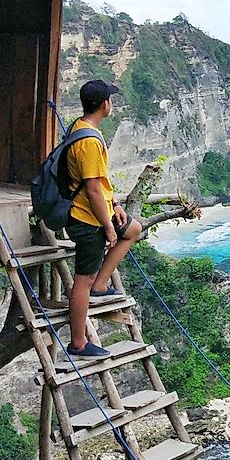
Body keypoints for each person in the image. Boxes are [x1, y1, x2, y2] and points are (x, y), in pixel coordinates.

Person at [64, 79, 142, 358]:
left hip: (98, 212)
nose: (113, 103)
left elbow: (100, 184)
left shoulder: (81, 128)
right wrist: (108, 226)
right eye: (111, 99)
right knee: (82, 280)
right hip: (87, 218)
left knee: (133, 229)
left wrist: (116, 204)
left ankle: (101, 285)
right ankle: (78, 343)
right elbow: (93, 188)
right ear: (104, 104)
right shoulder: (89, 142)